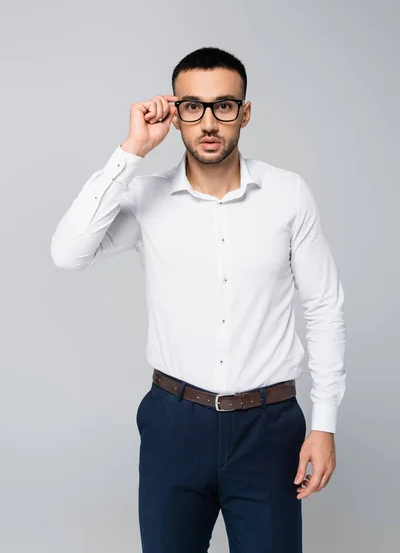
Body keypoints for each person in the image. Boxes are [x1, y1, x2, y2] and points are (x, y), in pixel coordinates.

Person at [50, 46, 346, 552]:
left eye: (224, 106)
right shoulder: (147, 197)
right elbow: (68, 252)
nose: (209, 122)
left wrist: (324, 424)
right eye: (193, 106)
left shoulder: (288, 195)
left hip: (268, 428)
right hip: (174, 423)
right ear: (177, 112)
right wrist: (131, 150)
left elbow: (323, 307)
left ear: (244, 113)